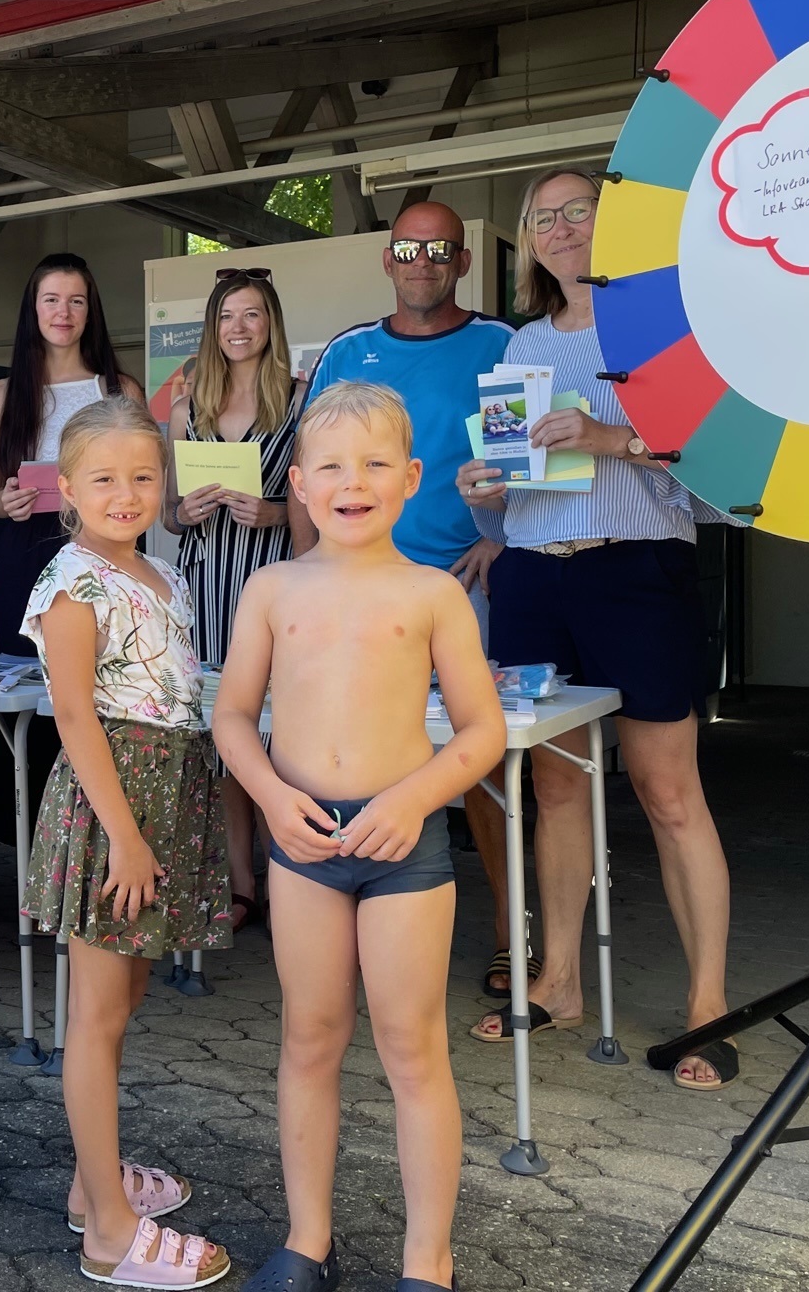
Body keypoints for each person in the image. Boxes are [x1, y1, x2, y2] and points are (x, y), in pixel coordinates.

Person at [216, 382, 506, 1292]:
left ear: (412, 478)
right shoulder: (270, 588)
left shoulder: (431, 594)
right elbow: (230, 717)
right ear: (297, 483)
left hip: (401, 846)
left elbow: (482, 732)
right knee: (310, 1037)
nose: (355, 482)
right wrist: (267, 795)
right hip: (301, 842)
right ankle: (308, 1241)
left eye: (377, 464)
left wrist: (415, 800)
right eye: (333, 466)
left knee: (413, 1045)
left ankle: (429, 1261)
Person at [459, 167, 734, 1091]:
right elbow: (507, 495)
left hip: (637, 566)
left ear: (608, 223)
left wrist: (608, 437)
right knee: (557, 787)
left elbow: (718, 463)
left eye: (581, 210)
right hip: (537, 574)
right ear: (531, 238)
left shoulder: (661, 332)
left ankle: (708, 1008)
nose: (565, 227)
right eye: (547, 216)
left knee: (667, 792)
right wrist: (485, 493)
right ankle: (561, 983)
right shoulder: (522, 346)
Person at [290, 203, 528, 999]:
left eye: (439, 249)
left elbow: (520, 460)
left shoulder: (502, 346)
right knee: (349, 752)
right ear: (388, 260)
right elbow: (311, 461)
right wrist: (307, 566)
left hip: (460, 588)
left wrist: (503, 535)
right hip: (351, 594)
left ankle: (508, 937)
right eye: (407, 248)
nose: (422, 260)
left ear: (462, 262)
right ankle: (342, 917)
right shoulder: (349, 352)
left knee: (479, 770)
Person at [24, 396, 233, 1290]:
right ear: (67, 488)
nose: (125, 493)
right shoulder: (73, 582)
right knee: (96, 1021)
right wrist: (126, 838)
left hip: (165, 797)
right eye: (103, 479)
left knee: (127, 995)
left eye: (143, 477)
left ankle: (90, 1181)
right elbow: (74, 715)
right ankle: (108, 1230)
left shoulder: (163, 573)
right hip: (116, 809)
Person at [0, 253, 145, 839]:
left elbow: (141, 480)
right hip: (24, 553)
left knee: (103, 690)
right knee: (31, 701)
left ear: (90, 310)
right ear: (33, 310)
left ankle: (103, 830)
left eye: (76, 300)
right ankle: (29, 845)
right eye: (51, 299)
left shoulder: (118, 389)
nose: (63, 312)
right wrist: (9, 501)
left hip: (101, 550)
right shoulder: (0, 394)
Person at [164, 266, 305, 932]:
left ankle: (293, 875)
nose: (239, 328)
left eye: (251, 315)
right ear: (212, 328)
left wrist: (275, 513)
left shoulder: (302, 399)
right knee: (226, 734)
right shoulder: (188, 406)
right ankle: (243, 883)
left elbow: (313, 505)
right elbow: (165, 515)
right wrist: (183, 510)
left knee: (280, 733)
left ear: (271, 323)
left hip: (273, 577)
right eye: (227, 317)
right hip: (206, 580)